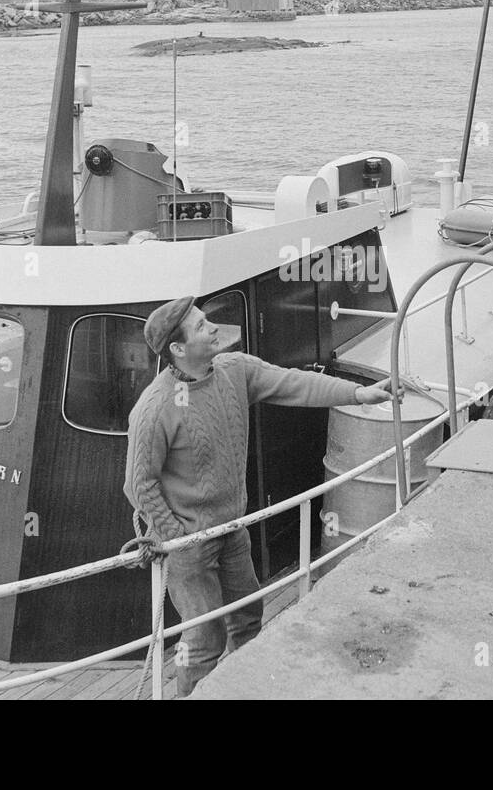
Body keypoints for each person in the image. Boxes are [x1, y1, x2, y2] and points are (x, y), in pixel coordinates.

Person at [124, 295, 396, 695]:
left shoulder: (235, 371)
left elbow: (296, 383)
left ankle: (250, 688)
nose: (214, 328)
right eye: (202, 326)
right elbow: (138, 484)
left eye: (206, 319)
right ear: (178, 350)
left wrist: (359, 394)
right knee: (203, 641)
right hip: (189, 546)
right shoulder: (155, 408)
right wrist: (175, 535)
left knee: (249, 617)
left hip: (233, 530)